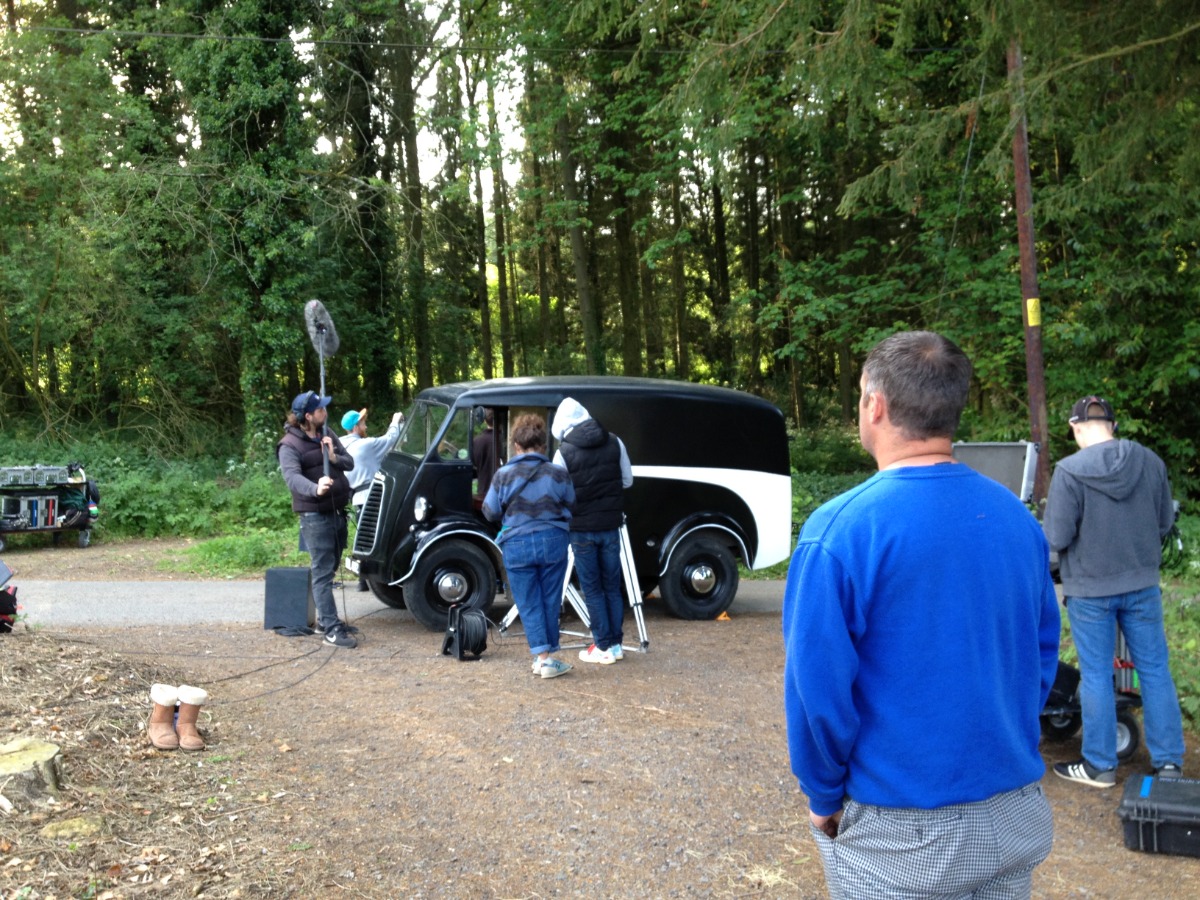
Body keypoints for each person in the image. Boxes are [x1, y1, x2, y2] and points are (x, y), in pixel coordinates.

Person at [782, 331, 1059, 899]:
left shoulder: (839, 532)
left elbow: (817, 690)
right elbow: (1040, 658)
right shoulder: (1018, 521)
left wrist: (822, 795)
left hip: (900, 830)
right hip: (1012, 811)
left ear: (874, 404)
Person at [1044, 395, 1185, 787]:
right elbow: (1162, 522)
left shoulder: (1070, 471)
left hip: (1090, 591)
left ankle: (1099, 766)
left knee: (1095, 675)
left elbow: (1056, 536)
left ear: (1075, 427)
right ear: (1113, 424)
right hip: (1141, 585)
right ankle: (1170, 763)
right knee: (1155, 671)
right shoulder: (1150, 461)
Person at [482, 413, 576, 678]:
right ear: (544, 446)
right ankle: (545, 657)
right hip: (553, 540)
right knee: (549, 598)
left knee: (528, 601)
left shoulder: (503, 474)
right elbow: (572, 504)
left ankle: (543, 658)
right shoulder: (558, 473)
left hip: (517, 542)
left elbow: (489, 512)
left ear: (516, 446)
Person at [551, 397, 633, 665]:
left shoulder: (563, 453)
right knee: (612, 585)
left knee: (593, 589)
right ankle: (616, 645)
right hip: (610, 526)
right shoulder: (614, 441)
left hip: (582, 529)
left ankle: (603, 646)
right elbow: (627, 481)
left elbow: (557, 494)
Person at [277, 390, 358, 648]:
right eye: (321, 409)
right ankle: (331, 631)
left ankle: (325, 619)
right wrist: (315, 487)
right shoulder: (289, 445)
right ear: (308, 416)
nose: (326, 411)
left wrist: (334, 457)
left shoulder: (327, 432)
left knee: (331, 565)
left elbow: (350, 462)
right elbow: (292, 478)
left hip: (336, 511)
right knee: (323, 573)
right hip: (314, 516)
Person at [341, 407, 405, 591]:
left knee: (364, 535)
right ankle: (379, 578)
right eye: (362, 423)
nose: (365, 425)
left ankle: (363, 580)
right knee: (379, 535)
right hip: (372, 495)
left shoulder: (341, 445)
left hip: (356, 497)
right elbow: (390, 439)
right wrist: (395, 421)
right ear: (355, 427)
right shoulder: (364, 445)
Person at [472, 407, 500, 501]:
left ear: (484, 420)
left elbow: (473, 468)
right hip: (503, 494)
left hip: (483, 495)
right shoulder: (507, 441)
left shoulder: (476, 441)